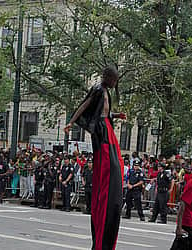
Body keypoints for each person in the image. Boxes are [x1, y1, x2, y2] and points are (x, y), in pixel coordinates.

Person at [64, 66, 126, 250]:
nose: (115, 83)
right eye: (113, 79)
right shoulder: (98, 90)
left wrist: (117, 115)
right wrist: (71, 122)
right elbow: (84, 106)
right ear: (106, 77)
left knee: (118, 165)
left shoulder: (107, 91)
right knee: (112, 165)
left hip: (107, 126)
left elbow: (105, 113)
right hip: (101, 131)